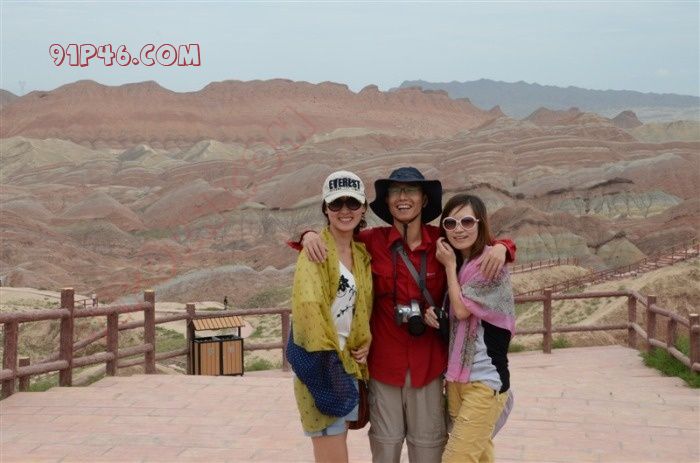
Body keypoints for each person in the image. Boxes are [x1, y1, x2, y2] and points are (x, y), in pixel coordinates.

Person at [297, 167, 516, 463]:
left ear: (423, 199)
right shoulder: (372, 241)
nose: (403, 197)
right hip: (384, 366)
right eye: (395, 192)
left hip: (429, 366)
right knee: (385, 449)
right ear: (386, 202)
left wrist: (503, 247)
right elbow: (336, 239)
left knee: (429, 449)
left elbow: (475, 245)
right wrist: (308, 235)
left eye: (411, 190)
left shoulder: (442, 241)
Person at [286, 170, 373, 463]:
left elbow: (359, 310)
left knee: (337, 445)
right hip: (321, 364)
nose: (345, 210)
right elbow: (308, 311)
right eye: (336, 203)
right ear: (326, 208)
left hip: (348, 363)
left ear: (363, 208)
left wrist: (366, 340)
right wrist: (330, 368)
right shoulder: (315, 252)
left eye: (352, 203)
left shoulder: (361, 254)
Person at [425, 193, 516, 463]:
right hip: (456, 381)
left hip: (484, 380)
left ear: (480, 223)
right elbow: (456, 317)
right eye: (450, 223)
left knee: (457, 458)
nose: (459, 229)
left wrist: (450, 267)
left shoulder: (489, 263)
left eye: (466, 221)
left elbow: (463, 310)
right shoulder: (461, 263)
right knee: (480, 455)